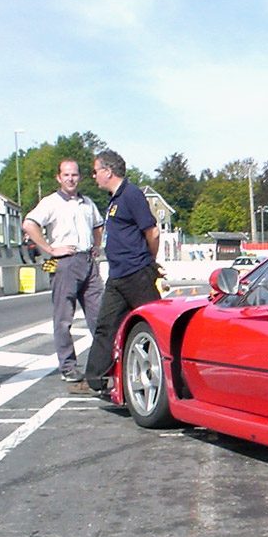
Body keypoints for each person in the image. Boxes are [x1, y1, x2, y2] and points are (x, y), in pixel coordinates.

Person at [78, 150, 162, 395]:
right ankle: (95, 379)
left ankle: (170, 375)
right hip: (118, 275)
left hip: (137, 274)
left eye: (96, 171)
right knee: (106, 325)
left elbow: (152, 232)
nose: (94, 176)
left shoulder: (132, 195)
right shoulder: (114, 200)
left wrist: (149, 261)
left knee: (155, 326)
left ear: (108, 171)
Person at [22, 159, 105, 382]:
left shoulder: (87, 203)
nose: (71, 179)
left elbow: (98, 225)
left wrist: (96, 246)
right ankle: (68, 366)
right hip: (65, 262)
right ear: (59, 178)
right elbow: (29, 224)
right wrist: (49, 249)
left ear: (80, 177)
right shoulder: (50, 202)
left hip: (88, 261)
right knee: (63, 318)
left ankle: (103, 364)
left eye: (75, 175)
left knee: (100, 316)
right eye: (66, 175)